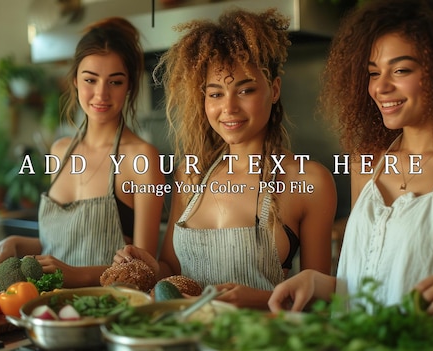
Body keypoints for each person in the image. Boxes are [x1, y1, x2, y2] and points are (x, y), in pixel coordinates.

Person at [268, 0, 433, 348]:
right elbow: (371, 291)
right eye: (374, 72)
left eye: (401, 70)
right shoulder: (367, 162)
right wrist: (319, 282)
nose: (380, 87)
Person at [114, 8, 337, 309]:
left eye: (245, 90)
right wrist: (152, 268)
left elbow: (319, 303)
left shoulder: (309, 180)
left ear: (274, 90)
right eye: (216, 94)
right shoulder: (190, 176)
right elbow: (173, 272)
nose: (228, 108)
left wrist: (260, 299)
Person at [0, 17, 165, 287]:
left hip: (106, 310)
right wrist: (16, 243)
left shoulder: (142, 157)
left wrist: (76, 275)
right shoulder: (60, 151)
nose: (101, 94)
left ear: (129, 87)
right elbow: (64, 241)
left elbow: (144, 269)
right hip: (44, 305)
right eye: (91, 79)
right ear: (75, 80)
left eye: (115, 82)